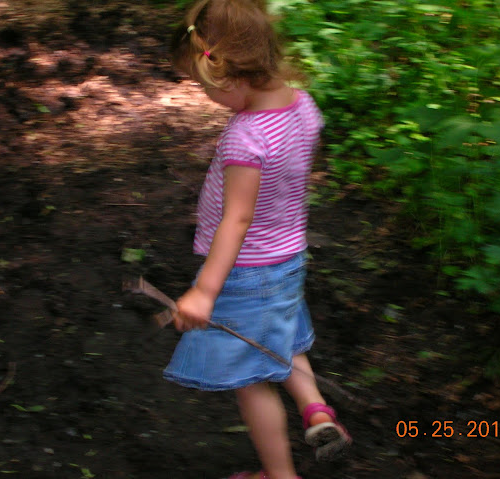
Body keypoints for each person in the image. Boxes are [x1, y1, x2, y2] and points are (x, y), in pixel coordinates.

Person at [163, 1, 352, 478]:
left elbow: (238, 219)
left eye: (204, 87)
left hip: (246, 271)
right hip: (289, 257)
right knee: (280, 338)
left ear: (230, 75)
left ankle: (279, 475)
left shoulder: (246, 137)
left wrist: (205, 291)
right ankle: (317, 411)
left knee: (251, 380)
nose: (206, 97)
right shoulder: (303, 105)